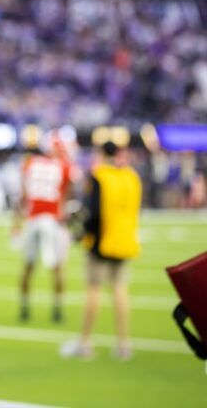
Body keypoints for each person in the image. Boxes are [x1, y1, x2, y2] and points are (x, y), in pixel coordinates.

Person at [61, 141, 142, 360]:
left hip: (101, 242)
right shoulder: (132, 177)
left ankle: (85, 343)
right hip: (125, 241)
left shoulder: (99, 176)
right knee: (120, 290)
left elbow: (93, 212)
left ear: (101, 154)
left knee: (93, 290)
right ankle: (124, 345)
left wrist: (82, 234)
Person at [12, 132, 73, 323]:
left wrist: (15, 223)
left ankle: (24, 308)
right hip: (52, 221)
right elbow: (66, 197)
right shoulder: (64, 166)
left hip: (32, 220)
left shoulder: (30, 162)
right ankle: (57, 310)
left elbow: (22, 196)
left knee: (28, 266)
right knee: (57, 267)